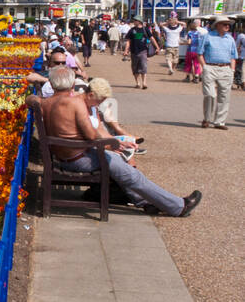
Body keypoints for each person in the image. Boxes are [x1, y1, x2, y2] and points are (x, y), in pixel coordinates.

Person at [40, 66, 201, 216]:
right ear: (72, 82)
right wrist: (114, 144)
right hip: (78, 159)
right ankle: (178, 207)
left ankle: (145, 202)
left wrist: (114, 143)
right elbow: (90, 135)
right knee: (130, 174)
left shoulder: (45, 103)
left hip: (63, 157)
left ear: (52, 83)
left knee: (122, 165)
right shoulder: (75, 102)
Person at [196, 15, 237, 129]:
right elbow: (199, 53)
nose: (227, 26)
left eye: (228, 24)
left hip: (226, 68)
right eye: (224, 24)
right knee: (210, 94)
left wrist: (232, 70)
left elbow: (233, 56)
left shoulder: (230, 38)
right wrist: (204, 67)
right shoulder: (207, 36)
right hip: (210, 67)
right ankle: (207, 119)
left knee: (224, 96)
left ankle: (219, 121)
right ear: (217, 25)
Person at [123, 18, 154, 89]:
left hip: (143, 50)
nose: (133, 22)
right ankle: (137, 83)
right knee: (135, 68)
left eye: (135, 21)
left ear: (139, 21)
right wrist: (126, 50)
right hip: (134, 51)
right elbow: (128, 41)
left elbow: (152, 38)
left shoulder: (145, 29)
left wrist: (157, 47)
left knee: (144, 66)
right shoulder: (131, 30)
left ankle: (144, 83)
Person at [234, 23, 245, 91]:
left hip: (242, 55)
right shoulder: (242, 36)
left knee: (241, 69)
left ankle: (242, 82)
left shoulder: (241, 36)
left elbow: (236, 45)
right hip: (242, 55)